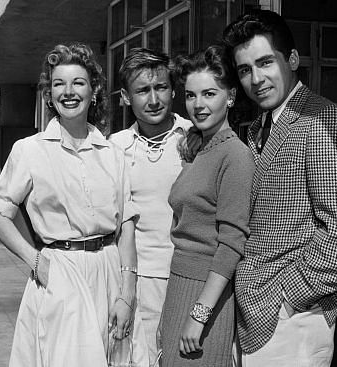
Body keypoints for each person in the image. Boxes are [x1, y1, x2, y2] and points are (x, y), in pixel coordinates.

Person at [222, 10, 337, 366]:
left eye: (265, 62)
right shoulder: (259, 125)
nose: (256, 79)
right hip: (256, 315)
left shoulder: (324, 120)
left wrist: (287, 296)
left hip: (295, 318)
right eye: (245, 69)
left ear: (291, 59)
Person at [0, 43, 138, 367]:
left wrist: (127, 291)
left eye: (78, 83)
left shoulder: (112, 153)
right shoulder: (30, 150)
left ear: (94, 90)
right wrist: (36, 261)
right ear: (49, 94)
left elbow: (126, 227)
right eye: (59, 84)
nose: (69, 92)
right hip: (61, 272)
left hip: (109, 271)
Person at [160, 45, 255, 367]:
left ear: (230, 97)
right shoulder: (201, 148)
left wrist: (199, 315)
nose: (198, 105)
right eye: (190, 95)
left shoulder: (235, 156)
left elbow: (231, 244)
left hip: (205, 294)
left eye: (209, 94)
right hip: (179, 284)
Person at [110, 47, 193, 366]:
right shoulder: (114, 147)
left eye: (161, 87)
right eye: (143, 90)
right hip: (133, 281)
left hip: (184, 276)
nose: (154, 99)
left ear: (173, 88)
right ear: (126, 96)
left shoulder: (194, 138)